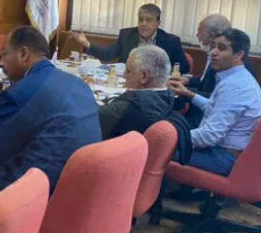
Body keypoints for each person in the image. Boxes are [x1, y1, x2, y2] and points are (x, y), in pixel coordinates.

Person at [0, 26, 101, 203]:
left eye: (4, 54)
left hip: (34, 192)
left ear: (23, 54)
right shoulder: (78, 83)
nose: (0, 63)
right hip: (76, 188)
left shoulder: (17, 94)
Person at [168, 29, 261, 176]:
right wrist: (189, 94)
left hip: (223, 157)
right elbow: (215, 107)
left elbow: (209, 136)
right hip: (225, 150)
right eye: (214, 47)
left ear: (239, 55)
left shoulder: (235, 86)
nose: (213, 52)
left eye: (222, 48)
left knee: (157, 150)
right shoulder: (238, 78)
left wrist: (169, 138)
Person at [171, 14, 255, 127]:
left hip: (206, 119)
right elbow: (207, 84)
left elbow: (217, 99)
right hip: (204, 110)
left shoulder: (229, 64)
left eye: (199, 31)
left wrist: (187, 92)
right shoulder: (218, 57)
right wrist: (188, 81)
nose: (197, 35)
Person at [71, 3, 190, 74]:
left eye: (148, 20)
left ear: (158, 23)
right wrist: (86, 43)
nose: (143, 24)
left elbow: (184, 68)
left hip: (155, 86)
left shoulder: (171, 41)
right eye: (140, 19)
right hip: (128, 82)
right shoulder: (126, 35)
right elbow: (108, 54)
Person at [99, 45, 173, 139]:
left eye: (128, 71)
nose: (124, 75)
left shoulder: (131, 106)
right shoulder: (168, 96)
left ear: (144, 76)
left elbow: (89, 119)